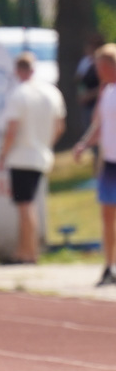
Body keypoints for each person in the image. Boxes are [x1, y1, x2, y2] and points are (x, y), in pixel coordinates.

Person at [0, 53, 66, 264]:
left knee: (25, 206)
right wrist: (46, 144)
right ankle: (27, 250)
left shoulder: (19, 94)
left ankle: (27, 252)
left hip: (21, 155)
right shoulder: (51, 92)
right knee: (30, 204)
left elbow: (12, 129)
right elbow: (60, 126)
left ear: (18, 70)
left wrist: (3, 155)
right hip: (40, 155)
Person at [72, 43, 116, 287]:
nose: (98, 72)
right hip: (110, 163)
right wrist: (84, 144)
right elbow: (99, 124)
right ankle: (110, 266)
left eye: (101, 67)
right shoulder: (108, 92)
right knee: (108, 215)